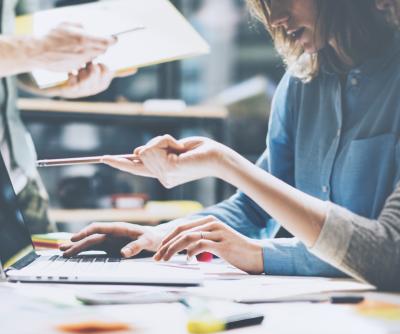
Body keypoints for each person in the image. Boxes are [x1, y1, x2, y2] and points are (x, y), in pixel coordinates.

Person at [61, 0, 400, 289]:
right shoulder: (302, 83)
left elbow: (388, 255)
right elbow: (256, 209)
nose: (276, 18)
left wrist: (258, 252)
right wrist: (160, 237)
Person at [0, 0, 133, 233]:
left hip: (17, 172)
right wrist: (37, 50)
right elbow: (31, 48)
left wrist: (64, 84)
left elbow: (22, 56)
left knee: (49, 268)